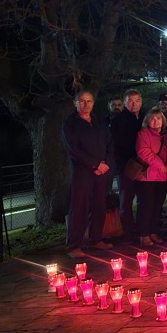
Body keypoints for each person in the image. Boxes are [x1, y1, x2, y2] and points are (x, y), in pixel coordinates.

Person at [62, 90, 114, 258]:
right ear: (75, 103)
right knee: (79, 207)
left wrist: (105, 163)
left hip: (102, 171)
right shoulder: (70, 124)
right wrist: (95, 164)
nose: (86, 104)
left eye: (89, 101)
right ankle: (74, 244)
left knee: (99, 205)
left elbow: (110, 144)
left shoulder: (99, 121)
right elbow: (73, 150)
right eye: (82, 101)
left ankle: (96, 239)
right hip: (82, 171)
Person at [135, 107, 167, 247]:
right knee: (146, 206)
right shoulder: (143, 133)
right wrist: (161, 165)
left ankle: (153, 231)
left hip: (163, 177)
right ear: (147, 121)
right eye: (152, 118)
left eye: (158, 118)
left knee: (158, 206)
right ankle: (143, 234)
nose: (155, 121)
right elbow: (144, 152)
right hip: (148, 176)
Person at [110, 89, 144, 239]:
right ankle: (128, 230)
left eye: (137, 101)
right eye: (130, 101)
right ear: (124, 103)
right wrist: (122, 165)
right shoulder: (119, 121)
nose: (133, 104)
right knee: (126, 199)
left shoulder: (144, 118)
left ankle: (142, 227)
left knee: (143, 198)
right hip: (126, 166)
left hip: (143, 165)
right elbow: (115, 146)